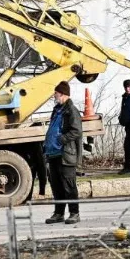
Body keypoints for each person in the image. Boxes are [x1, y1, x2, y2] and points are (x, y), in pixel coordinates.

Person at [44, 81, 83, 225]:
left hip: (65, 154)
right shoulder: (57, 110)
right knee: (56, 185)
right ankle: (58, 213)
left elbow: (76, 131)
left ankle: (74, 213)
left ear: (63, 94)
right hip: (53, 153)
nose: (54, 96)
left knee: (69, 185)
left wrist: (62, 139)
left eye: (56, 93)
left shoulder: (71, 110)